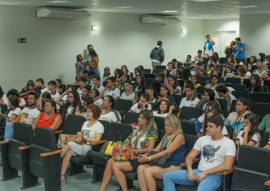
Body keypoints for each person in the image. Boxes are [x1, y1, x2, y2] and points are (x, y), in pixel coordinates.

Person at [163, 115, 236, 191]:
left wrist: (206, 172)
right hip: (197, 172)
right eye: (207, 126)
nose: (207, 129)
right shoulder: (202, 139)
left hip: (214, 176)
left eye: (210, 126)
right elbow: (190, 157)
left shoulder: (229, 143)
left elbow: (227, 166)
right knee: (168, 176)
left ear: (219, 128)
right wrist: (190, 170)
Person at [99, 110, 157, 191]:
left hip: (141, 158)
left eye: (141, 118)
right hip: (130, 155)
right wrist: (121, 147)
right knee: (110, 161)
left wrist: (135, 151)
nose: (138, 119)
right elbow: (126, 142)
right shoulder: (136, 130)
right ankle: (102, 189)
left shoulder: (151, 132)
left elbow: (150, 149)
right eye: (139, 117)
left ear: (147, 120)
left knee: (115, 166)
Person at [137, 115, 186, 191]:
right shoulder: (167, 134)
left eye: (167, 126)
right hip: (164, 163)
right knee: (140, 168)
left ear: (174, 126)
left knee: (147, 171)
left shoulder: (179, 136)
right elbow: (156, 149)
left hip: (174, 166)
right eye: (165, 125)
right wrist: (144, 156)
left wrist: (149, 158)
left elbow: (166, 152)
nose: (165, 127)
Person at [61, 104, 104, 184]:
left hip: (89, 147)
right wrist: (75, 137)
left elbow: (96, 141)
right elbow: (80, 137)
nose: (87, 113)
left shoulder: (99, 126)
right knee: (68, 151)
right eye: (87, 111)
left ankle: (54, 162)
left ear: (95, 113)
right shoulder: (85, 123)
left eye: (89, 112)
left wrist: (84, 138)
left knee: (70, 144)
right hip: (81, 145)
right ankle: (62, 175)